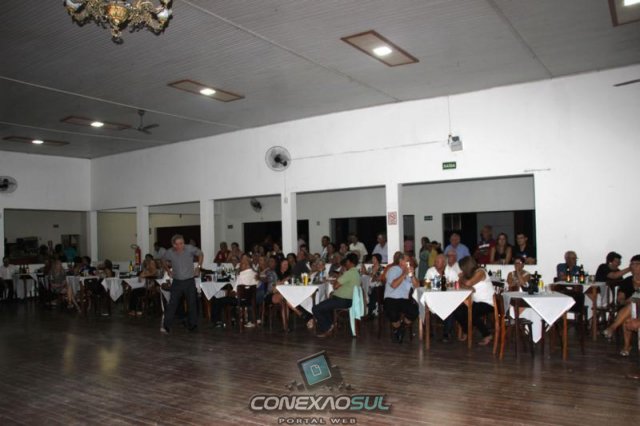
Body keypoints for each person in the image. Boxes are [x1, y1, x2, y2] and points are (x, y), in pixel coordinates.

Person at [161, 234, 203, 334]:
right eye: (178, 244)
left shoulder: (189, 248)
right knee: (172, 303)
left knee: (192, 303)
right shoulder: (170, 252)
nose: (181, 245)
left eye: (182, 243)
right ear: (174, 245)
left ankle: (193, 325)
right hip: (177, 282)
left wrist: (198, 267)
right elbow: (162, 260)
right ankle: (166, 325)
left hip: (189, 281)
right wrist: (168, 270)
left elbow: (201, 254)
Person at [312, 252, 360, 337]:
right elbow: (341, 283)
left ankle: (327, 328)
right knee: (325, 305)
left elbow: (335, 286)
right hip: (347, 300)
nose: (345, 264)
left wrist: (339, 276)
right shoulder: (355, 272)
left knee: (316, 308)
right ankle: (331, 325)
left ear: (349, 262)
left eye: (346, 262)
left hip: (342, 300)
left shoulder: (349, 273)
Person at [602, 255, 640, 356]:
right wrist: (627, 301)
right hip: (629, 310)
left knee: (630, 308)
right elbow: (620, 299)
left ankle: (612, 328)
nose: (634, 266)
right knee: (628, 312)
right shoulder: (627, 281)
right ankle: (626, 346)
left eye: (637, 264)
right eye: (632, 264)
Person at [452, 256, 495, 346]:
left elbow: (467, 283)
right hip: (476, 302)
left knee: (471, 312)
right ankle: (467, 331)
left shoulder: (480, 272)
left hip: (488, 302)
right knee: (457, 311)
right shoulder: (470, 274)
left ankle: (487, 335)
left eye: (462, 268)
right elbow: (460, 284)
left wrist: (462, 279)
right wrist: (467, 285)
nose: (461, 270)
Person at [383, 252, 419, 343]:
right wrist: (404, 274)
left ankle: (401, 328)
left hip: (404, 299)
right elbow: (394, 285)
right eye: (407, 261)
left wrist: (412, 275)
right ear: (400, 261)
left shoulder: (408, 272)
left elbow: (417, 286)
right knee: (393, 313)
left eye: (409, 261)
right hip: (391, 298)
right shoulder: (393, 270)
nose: (409, 263)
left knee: (414, 311)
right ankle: (398, 328)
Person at [424, 254, 458, 342]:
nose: (435, 263)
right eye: (435, 261)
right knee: (424, 305)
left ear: (444, 263)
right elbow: (426, 284)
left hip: (448, 299)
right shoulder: (430, 270)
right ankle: (429, 331)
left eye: (437, 262)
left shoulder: (451, 271)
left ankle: (446, 333)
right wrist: (432, 283)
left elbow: (456, 283)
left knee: (451, 307)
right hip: (433, 299)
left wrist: (448, 284)